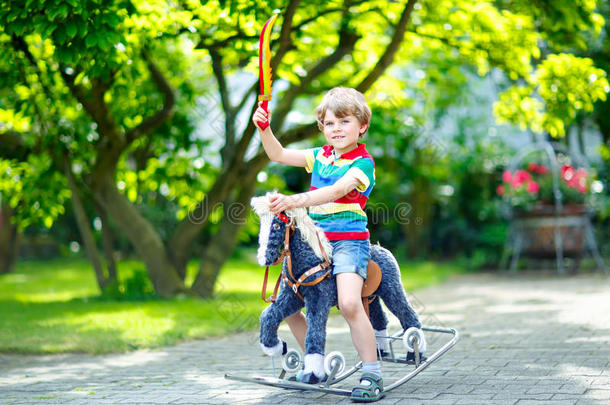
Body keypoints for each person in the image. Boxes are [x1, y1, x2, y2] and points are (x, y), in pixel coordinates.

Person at [252, 87, 383, 402]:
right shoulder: (319, 155)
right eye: (329, 123)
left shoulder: (363, 163)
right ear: (322, 128)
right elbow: (278, 154)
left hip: (348, 242)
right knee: (287, 305)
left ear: (361, 126)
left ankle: (372, 374)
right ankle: (314, 366)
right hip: (315, 241)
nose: (336, 129)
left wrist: (295, 200)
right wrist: (265, 129)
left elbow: (336, 191)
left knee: (349, 303)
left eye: (344, 122)